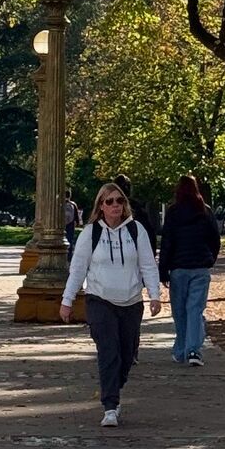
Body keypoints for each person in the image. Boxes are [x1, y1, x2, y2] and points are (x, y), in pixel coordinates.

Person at [61, 180, 161, 427]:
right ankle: (110, 406)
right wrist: (67, 300)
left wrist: (155, 295)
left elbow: (148, 265)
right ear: (101, 206)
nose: (116, 205)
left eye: (120, 201)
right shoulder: (90, 234)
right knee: (108, 351)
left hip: (131, 301)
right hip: (99, 300)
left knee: (126, 355)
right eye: (110, 201)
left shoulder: (136, 231)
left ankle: (114, 388)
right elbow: (78, 269)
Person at [157, 173, 221, 367]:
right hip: (200, 267)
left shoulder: (173, 212)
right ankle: (191, 349)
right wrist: (210, 258)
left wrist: (163, 269)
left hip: (179, 268)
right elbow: (215, 239)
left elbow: (167, 241)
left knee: (179, 311)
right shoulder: (205, 211)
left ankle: (183, 348)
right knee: (195, 309)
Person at [63, 189, 83, 262]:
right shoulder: (73, 204)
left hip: (62, 225)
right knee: (70, 240)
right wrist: (77, 223)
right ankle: (69, 257)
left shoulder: (61, 203)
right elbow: (76, 215)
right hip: (70, 225)